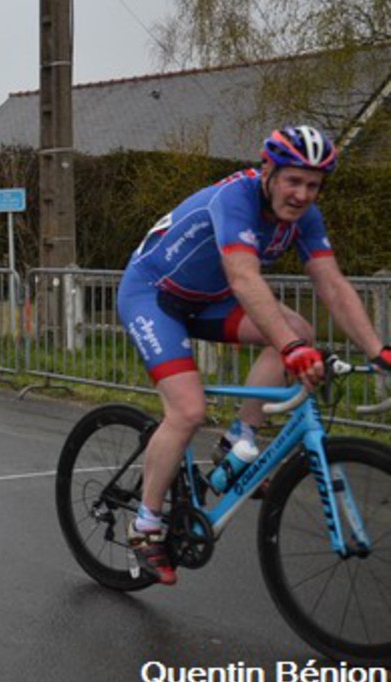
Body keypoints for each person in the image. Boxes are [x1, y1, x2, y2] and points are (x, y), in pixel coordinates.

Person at [117, 125, 391, 586]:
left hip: (210, 300)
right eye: (293, 181)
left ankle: (236, 443)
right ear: (268, 171)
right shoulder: (235, 199)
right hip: (154, 295)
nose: (302, 195)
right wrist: (293, 350)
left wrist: (378, 349)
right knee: (188, 410)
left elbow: (332, 284)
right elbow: (244, 278)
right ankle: (145, 525)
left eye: (313, 185)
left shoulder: (306, 217)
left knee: (298, 330)